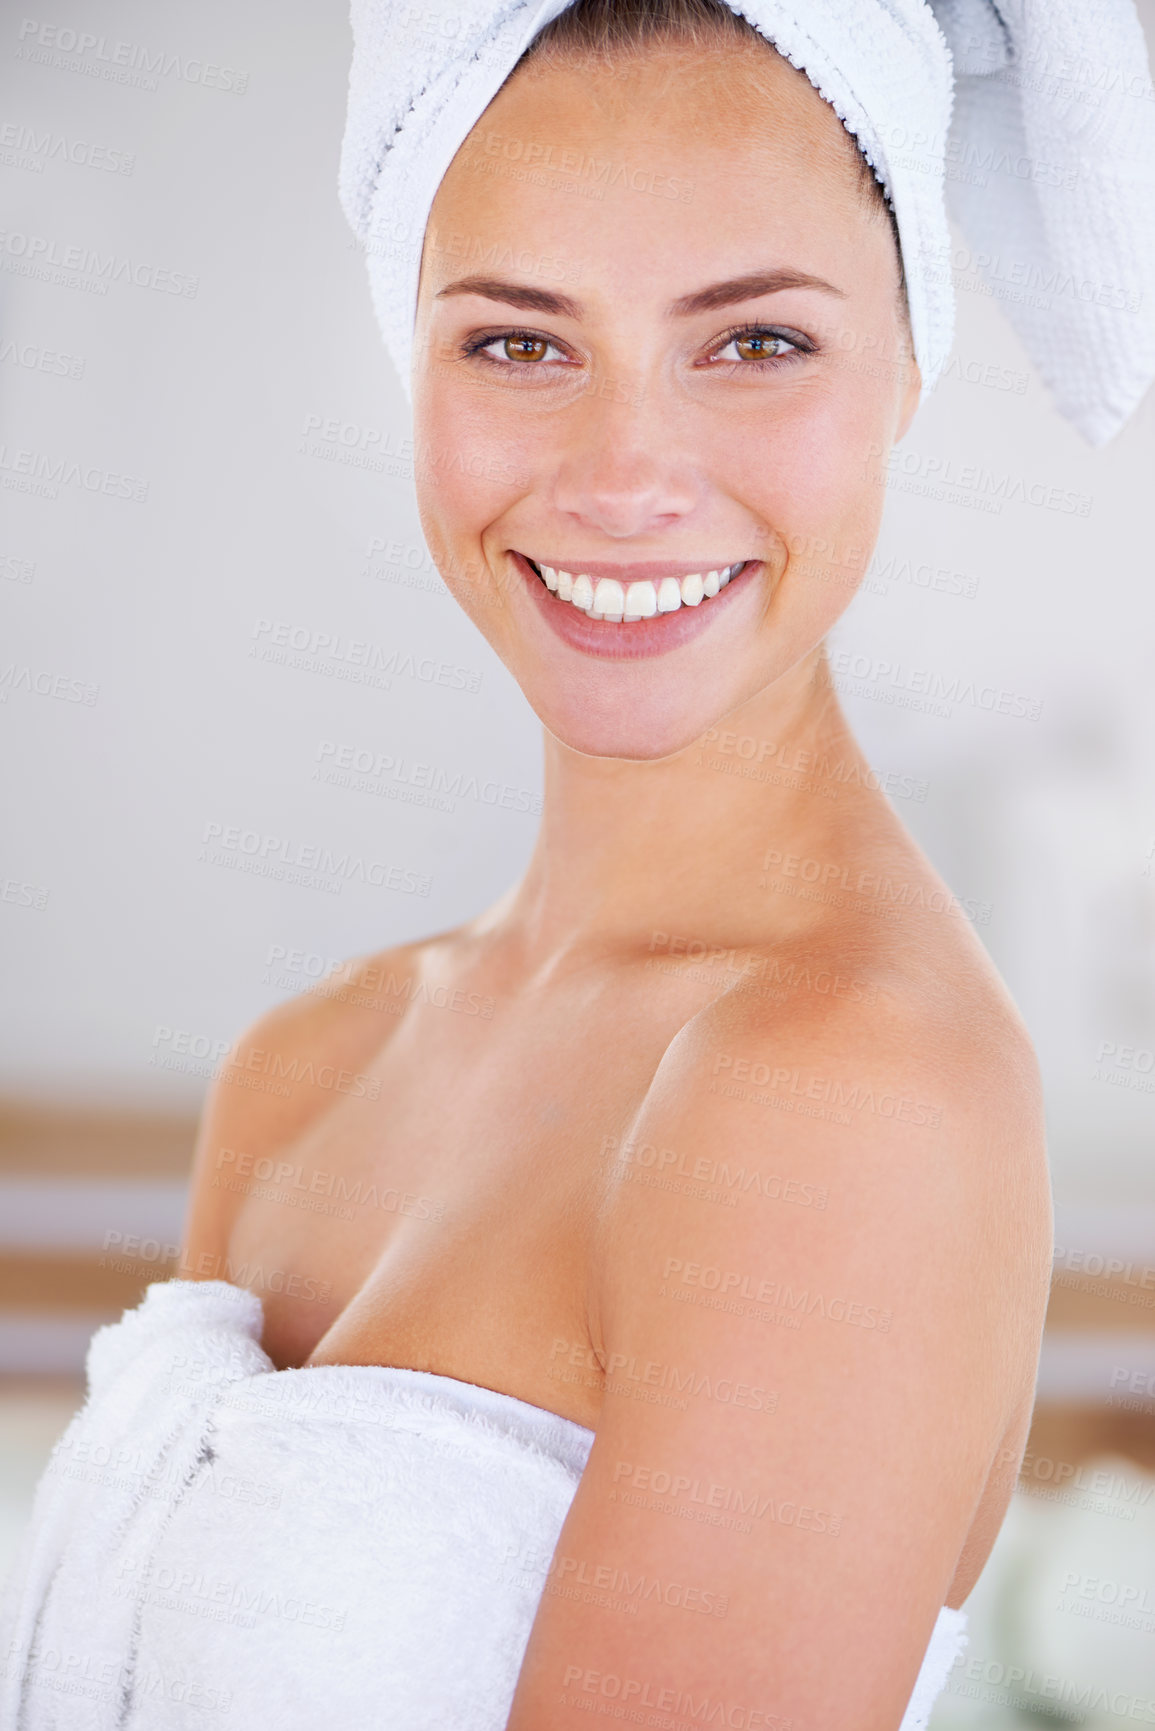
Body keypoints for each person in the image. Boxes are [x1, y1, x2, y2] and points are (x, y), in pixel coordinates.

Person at [3, 2, 1152, 1728]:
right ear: (415, 365)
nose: (627, 478)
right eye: (520, 346)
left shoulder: (847, 1093)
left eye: (755, 342)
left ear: (909, 365)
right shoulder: (308, 1069)